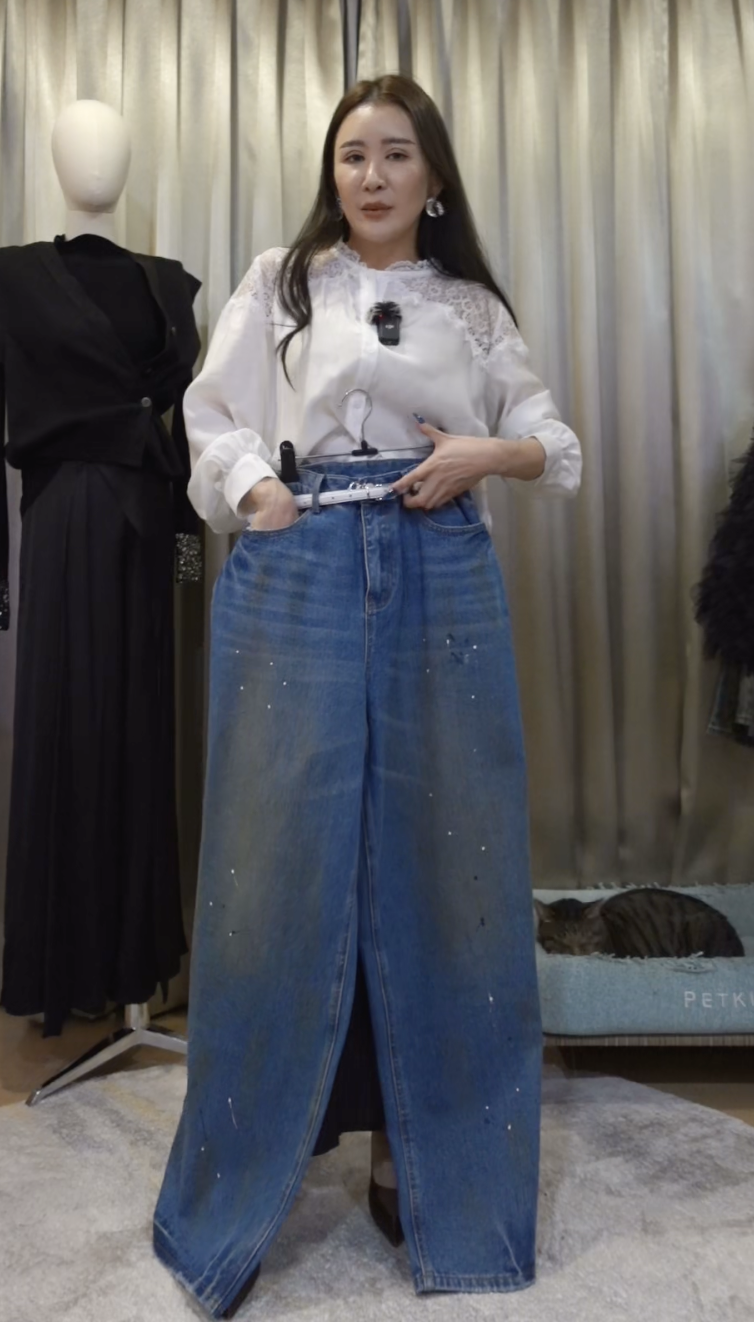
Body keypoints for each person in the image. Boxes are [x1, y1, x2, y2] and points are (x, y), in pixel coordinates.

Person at [153, 74, 581, 1319]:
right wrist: (254, 491)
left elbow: (553, 441)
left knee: (448, 863)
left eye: (397, 154)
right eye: (353, 154)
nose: (374, 174)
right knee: (275, 864)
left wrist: (485, 452)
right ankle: (255, 1164)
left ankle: (427, 1160)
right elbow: (208, 413)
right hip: (297, 559)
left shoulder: (471, 306)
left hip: (438, 556)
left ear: (433, 177)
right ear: (330, 171)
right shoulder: (280, 281)